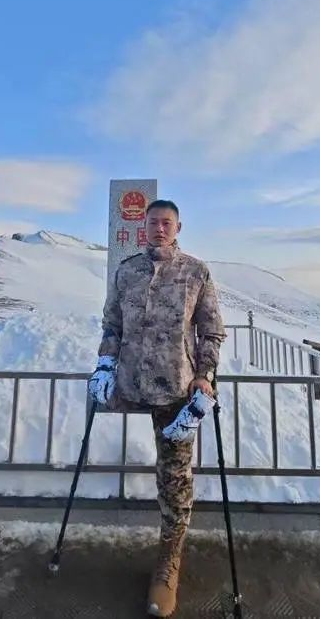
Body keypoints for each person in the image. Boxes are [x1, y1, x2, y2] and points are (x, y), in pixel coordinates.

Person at [88, 199, 225, 618]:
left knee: (175, 478)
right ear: (143, 227)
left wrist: (206, 376)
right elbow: (112, 324)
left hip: (176, 390)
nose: (159, 229)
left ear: (178, 226)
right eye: (153, 223)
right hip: (129, 382)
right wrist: (106, 363)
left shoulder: (196, 271)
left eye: (166, 223)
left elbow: (212, 330)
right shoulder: (126, 270)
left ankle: (169, 560)